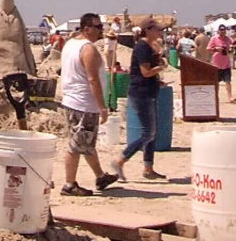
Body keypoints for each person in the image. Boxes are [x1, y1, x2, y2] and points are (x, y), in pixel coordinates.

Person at [58, 13, 119, 196]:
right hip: (83, 103)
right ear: (87, 29)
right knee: (77, 144)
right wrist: (102, 107)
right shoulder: (87, 49)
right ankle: (69, 184)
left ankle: (100, 176)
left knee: (86, 142)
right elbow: (93, 80)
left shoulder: (71, 44)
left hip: (73, 100)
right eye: (98, 27)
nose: (101, 30)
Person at [111, 17, 169, 181]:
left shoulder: (148, 46)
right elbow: (145, 72)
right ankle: (120, 160)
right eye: (158, 30)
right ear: (149, 30)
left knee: (152, 131)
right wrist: (160, 68)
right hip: (141, 93)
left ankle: (148, 168)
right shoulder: (142, 47)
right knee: (148, 133)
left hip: (148, 91)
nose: (160, 32)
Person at [208, 24, 236, 103]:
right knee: (216, 82)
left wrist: (231, 49)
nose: (222, 31)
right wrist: (216, 49)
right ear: (218, 31)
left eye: (224, 30)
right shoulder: (214, 38)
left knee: (228, 81)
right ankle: (216, 97)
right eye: (221, 30)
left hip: (226, 63)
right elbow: (208, 49)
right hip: (216, 64)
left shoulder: (228, 39)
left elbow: (233, 45)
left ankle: (230, 97)